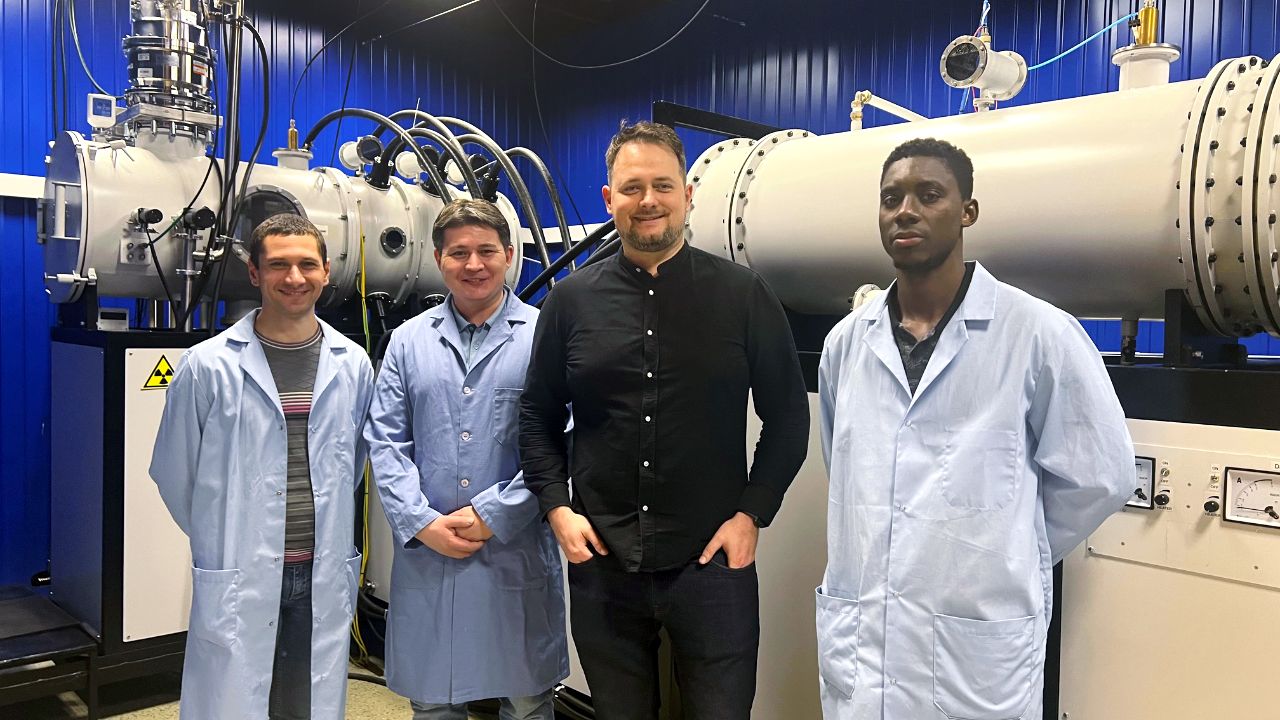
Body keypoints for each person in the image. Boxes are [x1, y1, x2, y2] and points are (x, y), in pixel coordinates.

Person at [815, 137, 1135, 720]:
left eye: (928, 194)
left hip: (976, 657)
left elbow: (1101, 476)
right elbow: (847, 473)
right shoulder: (846, 344)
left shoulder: (1038, 334)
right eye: (891, 198)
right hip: (864, 648)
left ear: (968, 211)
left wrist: (1006, 546)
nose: (905, 211)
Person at [519, 120, 811, 720]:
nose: (647, 200)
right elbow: (537, 416)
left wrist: (751, 515)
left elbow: (788, 418)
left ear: (687, 194)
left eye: (662, 185)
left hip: (712, 560)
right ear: (610, 199)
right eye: (632, 188)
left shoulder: (744, 296)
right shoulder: (571, 302)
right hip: (602, 561)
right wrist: (557, 509)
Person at [150, 213, 375, 720]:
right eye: (278, 265)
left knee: (305, 705)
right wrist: (228, 535)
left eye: (307, 265)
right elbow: (175, 473)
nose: (294, 277)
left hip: (320, 570)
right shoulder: (206, 365)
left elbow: (354, 463)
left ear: (326, 272)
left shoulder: (353, 363)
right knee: (235, 702)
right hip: (240, 569)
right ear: (254, 273)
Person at [364, 199, 568, 720]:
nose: (473, 264)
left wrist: (495, 514)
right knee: (433, 700)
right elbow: (385, 440)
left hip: (514, 548)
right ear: (438, 259)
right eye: (458, 253)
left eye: (486, 251)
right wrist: (420, 522)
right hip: (428, 550)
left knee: (527, 701)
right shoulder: (408, 342)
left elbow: (564, 436)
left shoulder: (546, 335)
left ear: (509, 256)